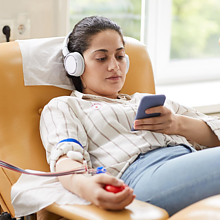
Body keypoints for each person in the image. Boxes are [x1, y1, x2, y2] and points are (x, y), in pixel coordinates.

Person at [40, 15, 220, 216]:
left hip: (187, 161)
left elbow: (216, 132)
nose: (114, 67)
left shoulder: (148, 100)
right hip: (141, 176)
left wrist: (177, 124)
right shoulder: (65, 106)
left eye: (119, 56)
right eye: (101, 58)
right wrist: (87, 187)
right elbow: (66, 158)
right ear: (76, 65)